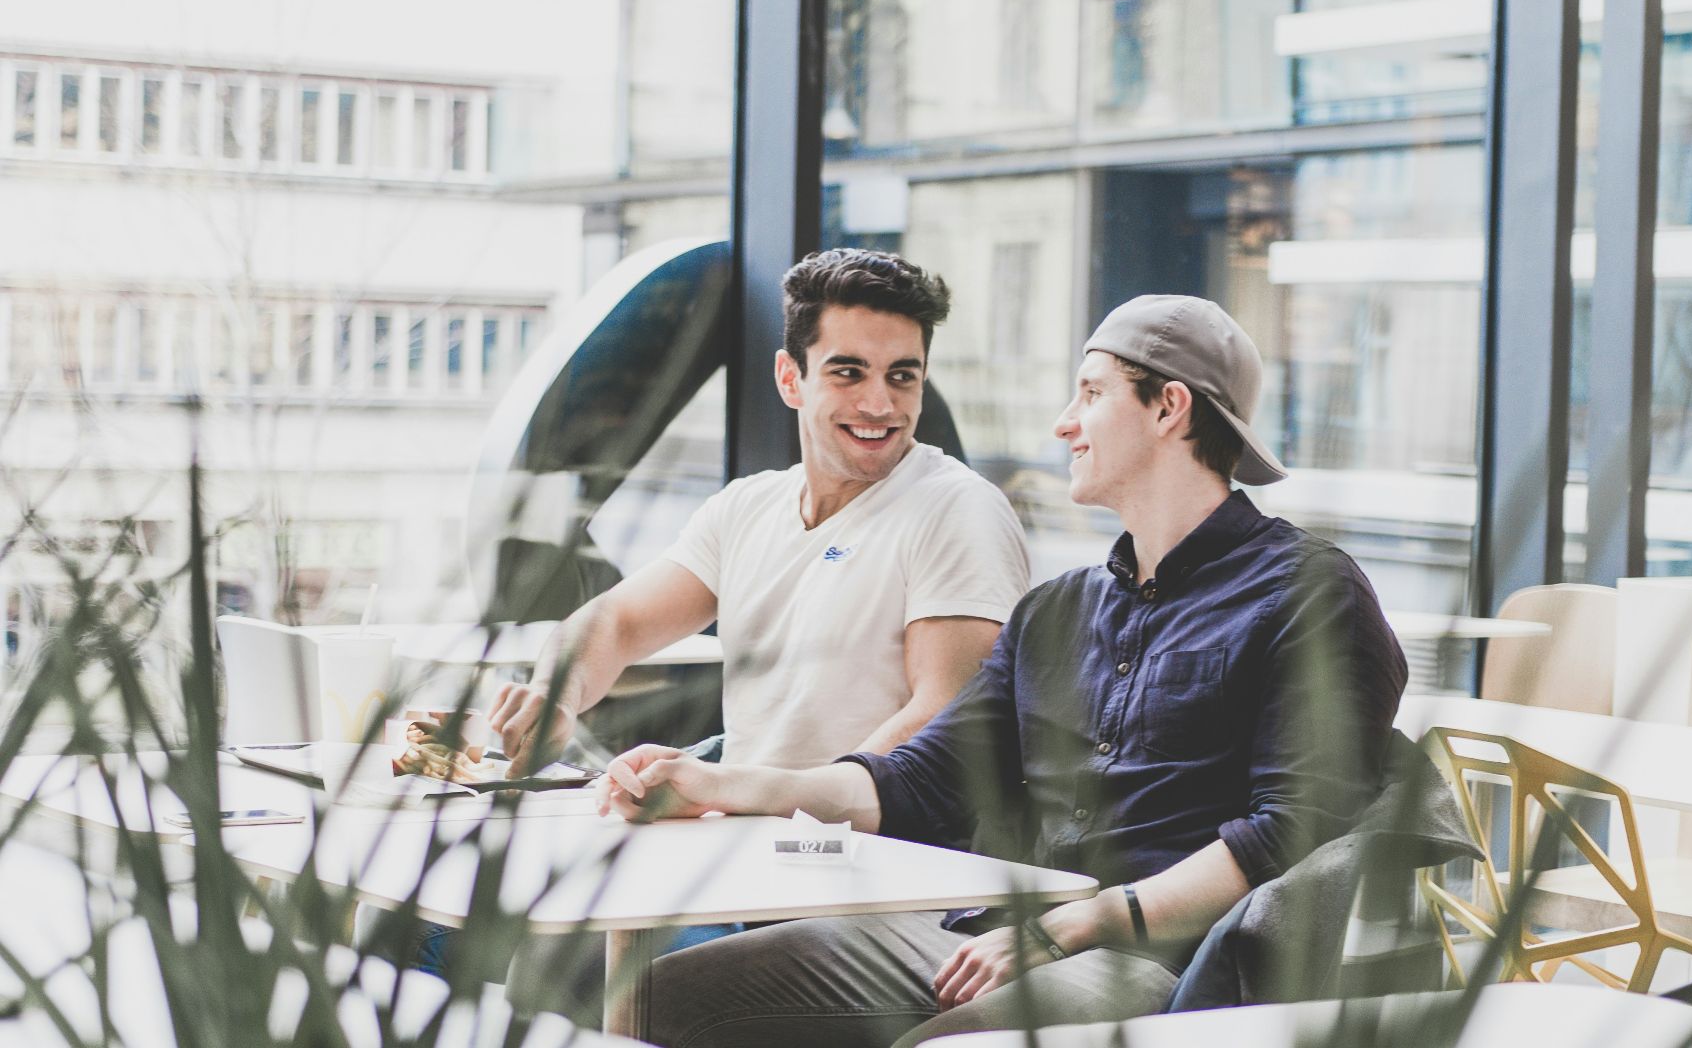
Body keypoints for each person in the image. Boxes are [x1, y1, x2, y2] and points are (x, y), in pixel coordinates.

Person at [603, 294, 1410, 1048]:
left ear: (1170, 408)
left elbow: (1290, 830)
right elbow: (917, 783)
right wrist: (721, 785)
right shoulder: (1057, 613)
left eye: (1090, 394)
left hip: (1156, 958)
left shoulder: (1309, 593)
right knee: (659, 996)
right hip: (994, 929)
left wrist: (1072, 925)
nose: (1065, 424)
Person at [488, 247, 1031, 776]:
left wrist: (737, 788)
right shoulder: (747, 507)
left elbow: (945, 721)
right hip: (753, 830)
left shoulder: (957, 508)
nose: (879, 405)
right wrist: (554, 693)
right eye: (848, 372)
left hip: (880, 848)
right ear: (790, 378)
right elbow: (617, 621)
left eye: (901, 376)